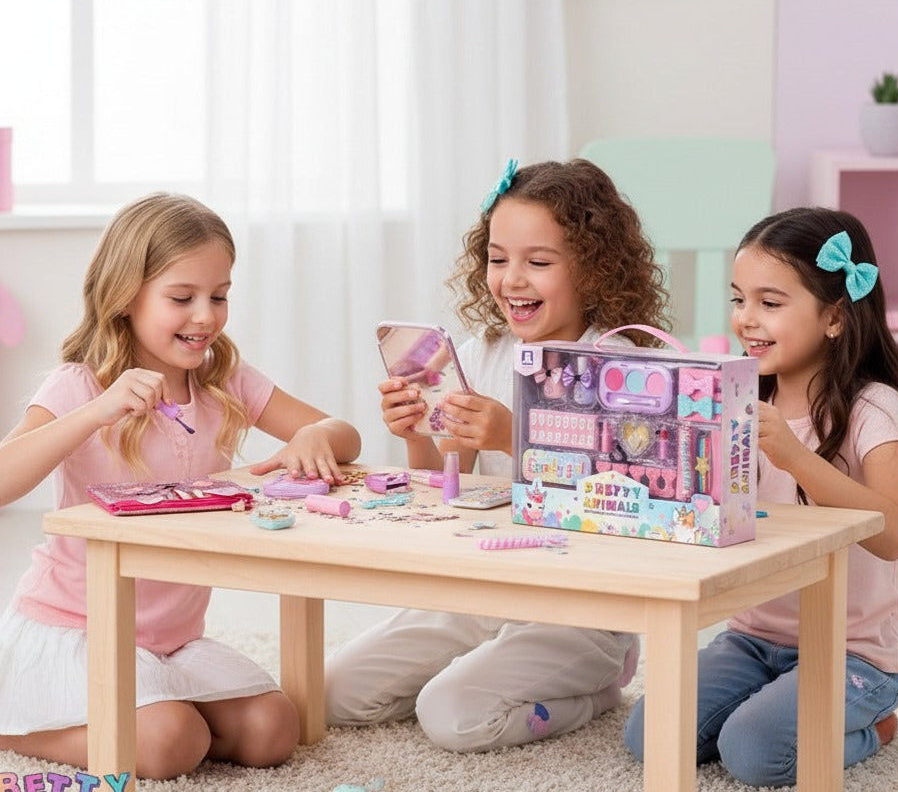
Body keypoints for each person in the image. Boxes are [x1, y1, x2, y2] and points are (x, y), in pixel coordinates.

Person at [0, 192, 361, 779]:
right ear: (125, 297)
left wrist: (316, 437)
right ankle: (14, 727)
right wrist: (95, 413)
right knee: (172, 743)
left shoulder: (225, 381)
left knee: (274, 729)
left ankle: (157, 709)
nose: (205, 316)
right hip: (78, 629)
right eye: (181, 298)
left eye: (218, 296)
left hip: (174, 638)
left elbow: (341, 433)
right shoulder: (81, 386)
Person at [325, 158, 670, 751]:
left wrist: (516, 434)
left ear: (594, 268)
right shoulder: (479, 352)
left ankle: (598, 689)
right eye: (497, 257)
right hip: (484, 590)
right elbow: (441, 489)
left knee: (452, 716)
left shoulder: (626, 368)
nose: (512, 279)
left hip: (581, 607)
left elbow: (630, 502)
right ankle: (479, 667)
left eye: (538, 262)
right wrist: (415, 432)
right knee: (333, 691)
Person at [624, 206, 898, 787]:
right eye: (738, 299)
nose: (746, 319)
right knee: (650, 736)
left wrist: (794, 455)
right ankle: (771, 700)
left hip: (856, 652)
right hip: (753, 636)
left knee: (756, 753)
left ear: (835, 318)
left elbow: (894, 535)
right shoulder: (736, 397)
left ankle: (874, 726)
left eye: (770, 302)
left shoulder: (874, 408)